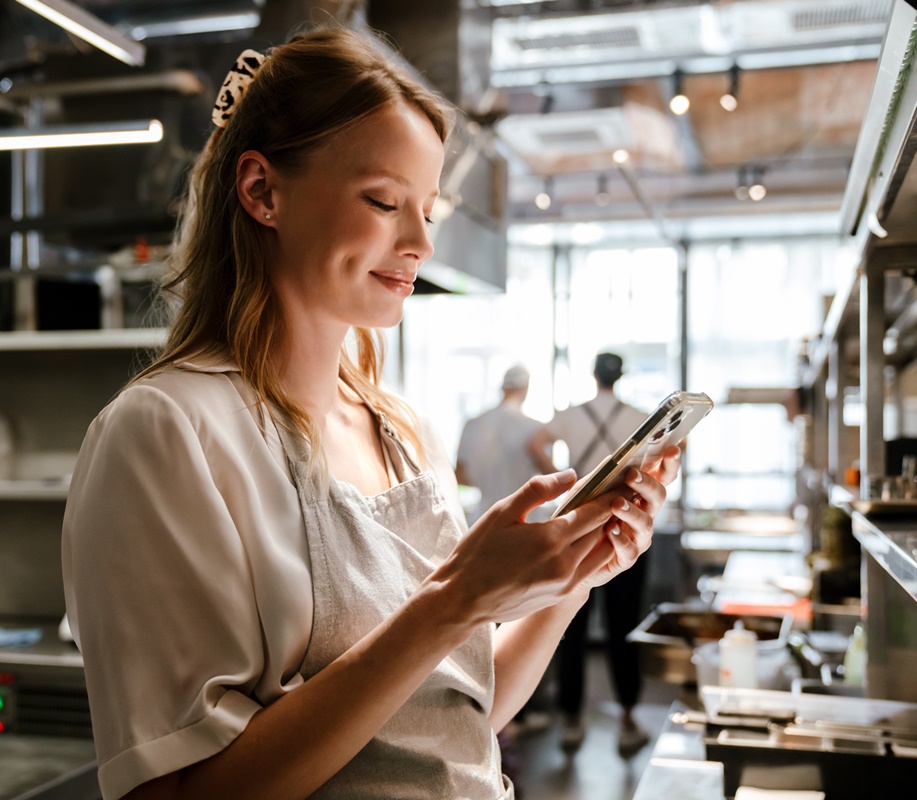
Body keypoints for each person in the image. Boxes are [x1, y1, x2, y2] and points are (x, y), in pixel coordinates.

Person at [62, 28, 680, 800]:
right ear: (262, 193)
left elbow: (456, 721)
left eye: (429, 209)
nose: (420, 241)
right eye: (384, 202)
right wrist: (455, 600)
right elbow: (180, 793)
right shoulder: (164, 431)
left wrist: (575, 578)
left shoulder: (401, 429)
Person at [528, 352, 652, 757]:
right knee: (624, 625)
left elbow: (536, 443)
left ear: (593, 375)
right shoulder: (637, 416)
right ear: (621, 377)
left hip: (580, 527)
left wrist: (566, 485)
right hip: (623, 525)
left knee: (570, 628)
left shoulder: (571, 415)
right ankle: (630, 720)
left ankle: (571, 722)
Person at [455, 365, 552, 524]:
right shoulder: (534, 429)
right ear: (525, 388)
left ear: (503, 388)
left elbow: (460, 476)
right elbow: (548, 476)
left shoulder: (472, 424)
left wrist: (489, 482)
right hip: (525, 519)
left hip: (482, 519)